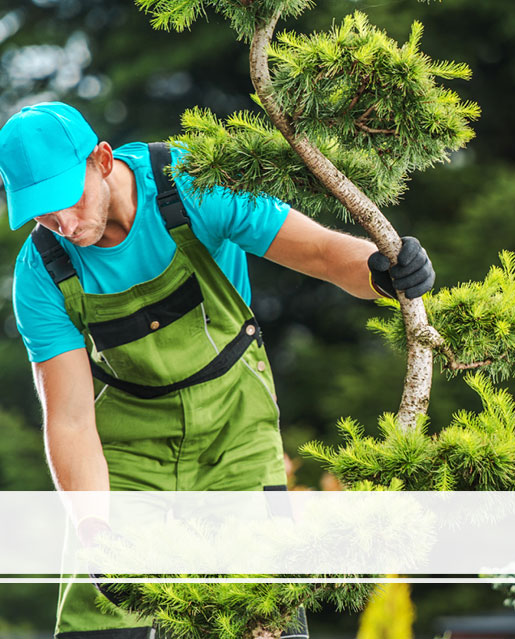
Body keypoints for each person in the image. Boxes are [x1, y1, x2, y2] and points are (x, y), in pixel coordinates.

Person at [0, 102, 435, 639]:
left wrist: (381, 272)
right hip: (127, 454)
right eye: (42, 214)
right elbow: (68, 420)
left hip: (235, 430)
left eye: (66, 199)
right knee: (102, 623)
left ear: (102, 160)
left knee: (259, 613)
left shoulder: (190, 183)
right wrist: (94, 531)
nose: (62, 223)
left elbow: (320, 252)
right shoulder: (41, 273)